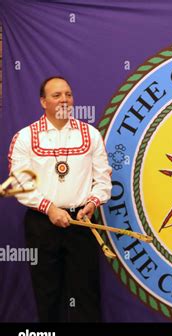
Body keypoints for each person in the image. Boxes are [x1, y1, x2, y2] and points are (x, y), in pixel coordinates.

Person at [8, 76, 112, 322]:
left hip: (82, 222)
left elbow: (104, 179)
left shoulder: (91, 134)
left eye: (68, 94)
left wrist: (92, 203)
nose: (64, 99)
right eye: (56, 95)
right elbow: (20, 184)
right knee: (47, 294)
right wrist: (50, 209)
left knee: (86, 295)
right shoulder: (24, 137)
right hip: (42, 223)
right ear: (43, 102)